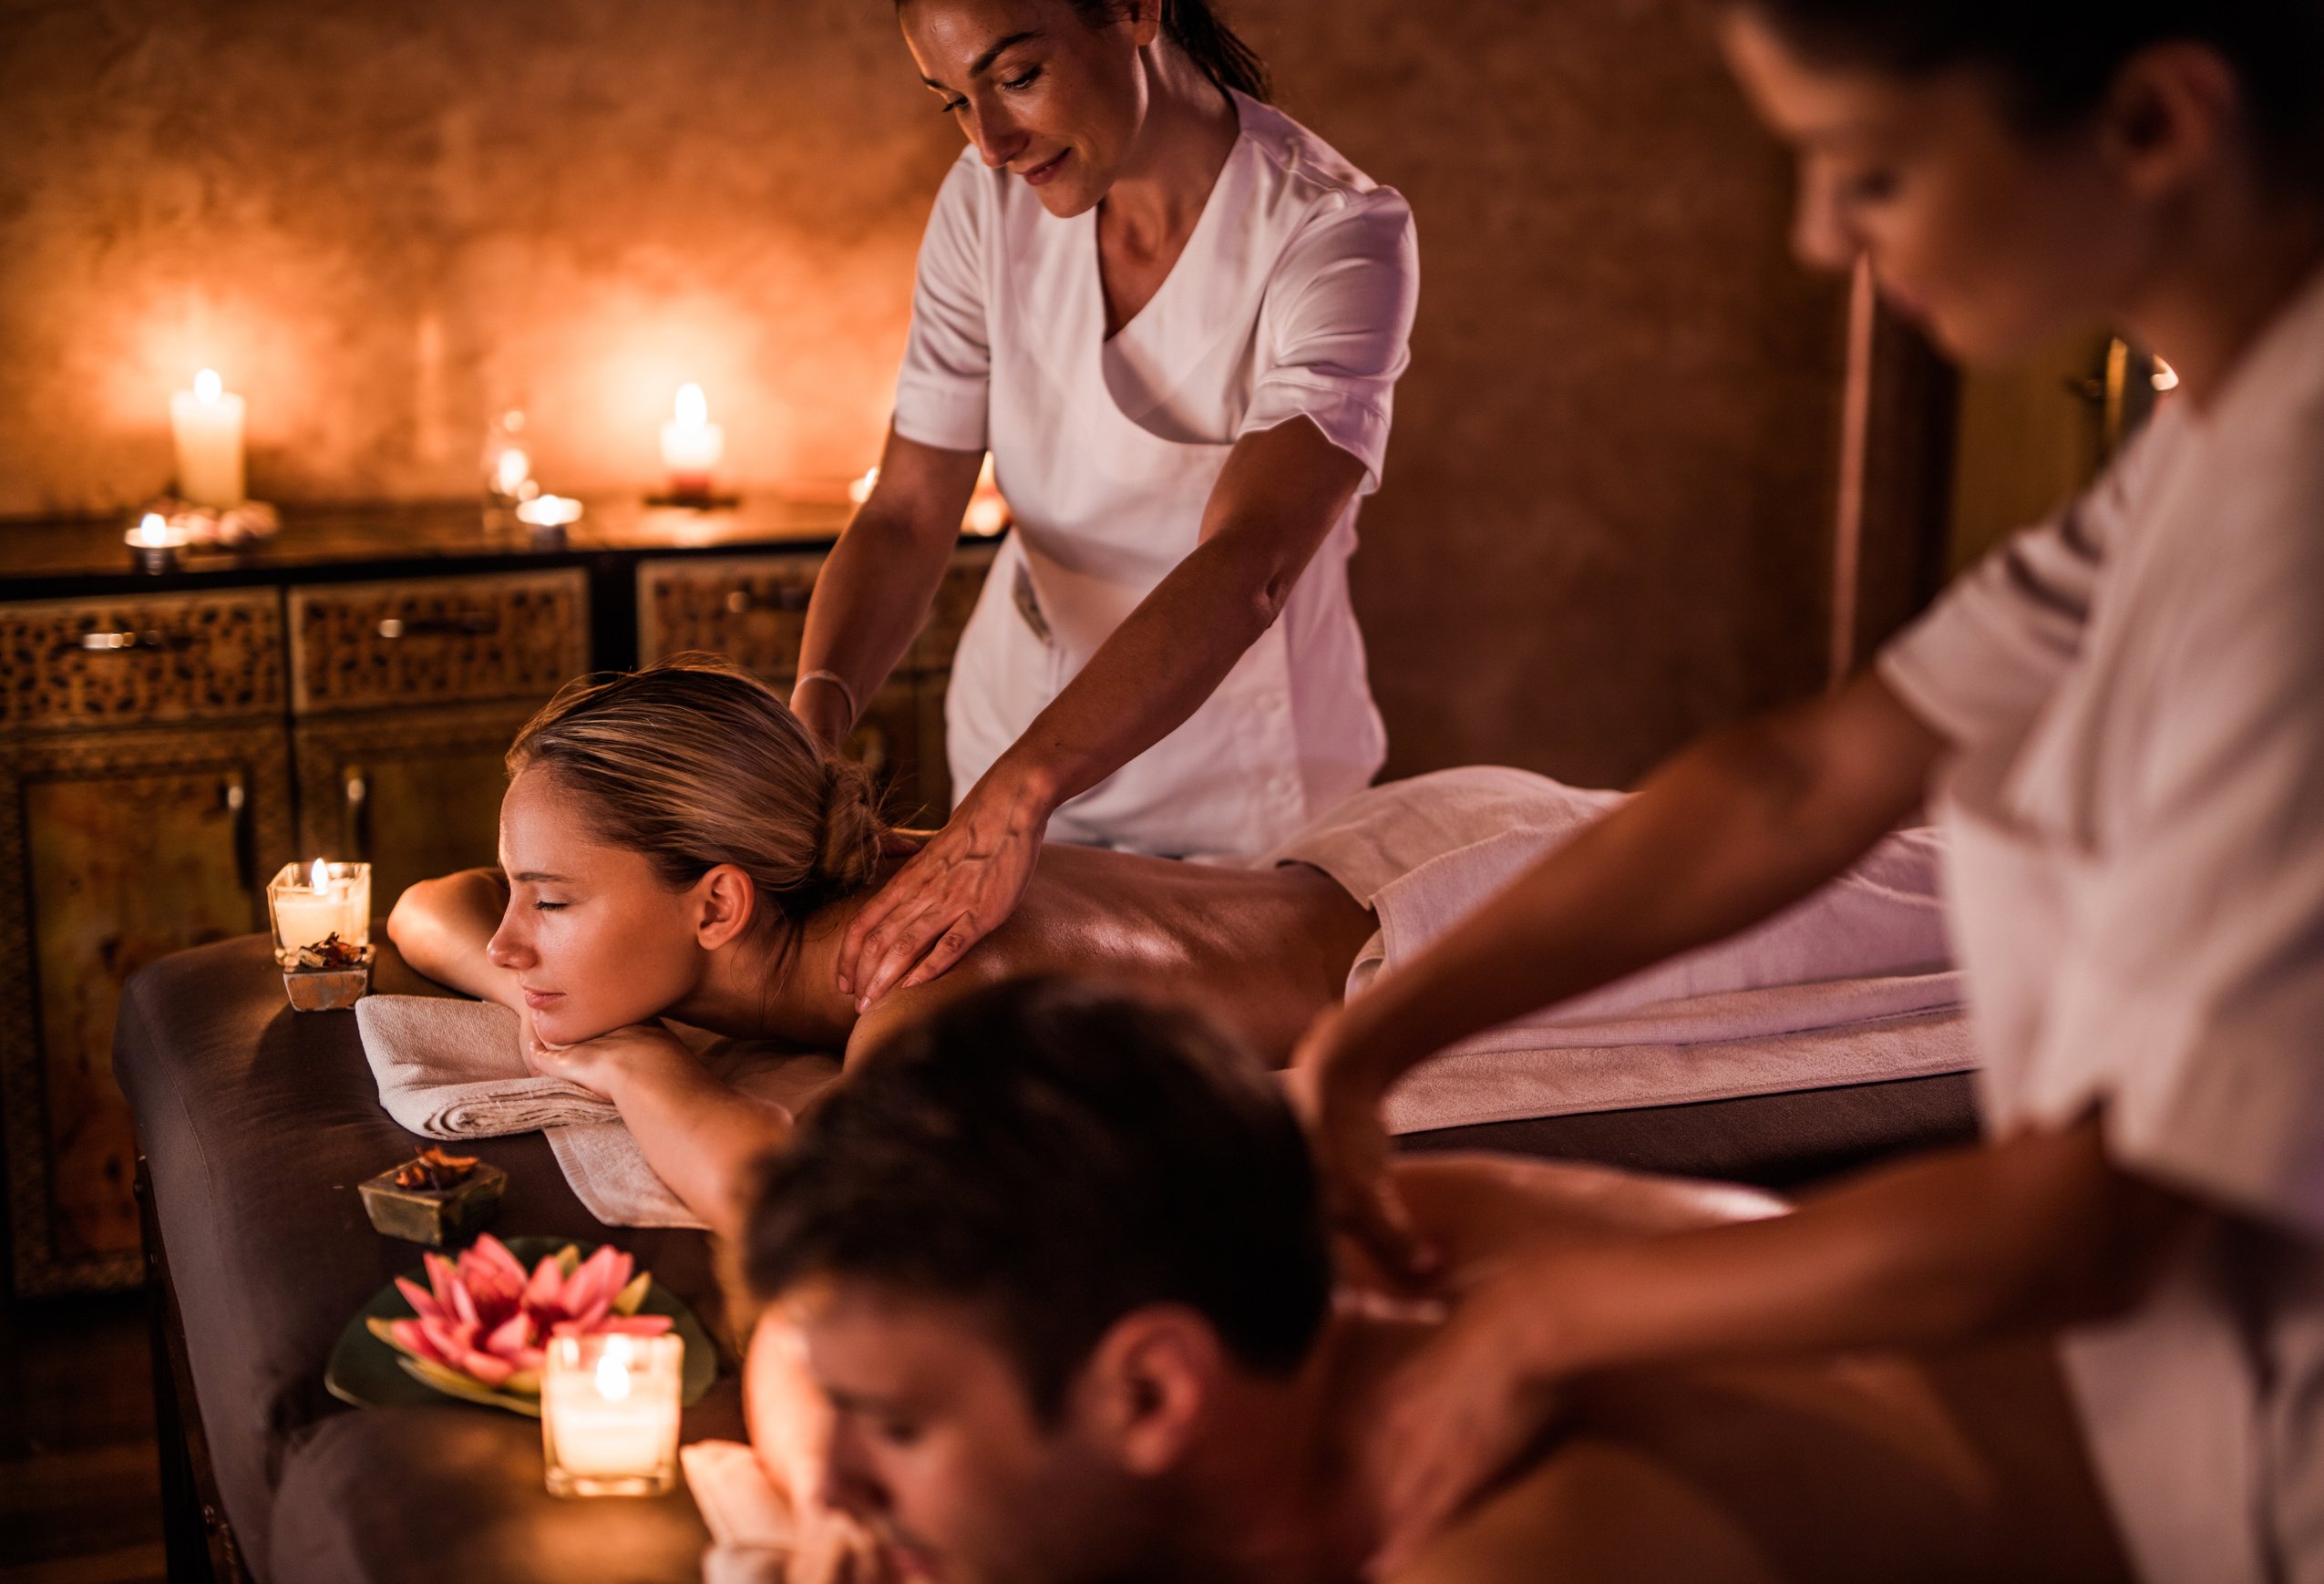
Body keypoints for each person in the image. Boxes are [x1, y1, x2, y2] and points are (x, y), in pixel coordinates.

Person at [1289, 4, 2324, 1579]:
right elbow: (1805, 775)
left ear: (2157, 123)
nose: (1819, 235)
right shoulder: (2214, 441)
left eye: (1869, 173)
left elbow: (2099, 1211)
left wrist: (1542, 1323)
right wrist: (1374, 1038)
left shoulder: (2296, 517)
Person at [386, 654, 1953, 1236]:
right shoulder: (803, 905)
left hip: (1466, 915)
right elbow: (425, 905)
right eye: (531, 896)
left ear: (718, 903)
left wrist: (638, 1052)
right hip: (1382, 851)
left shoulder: (931, 975)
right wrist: (549, 964)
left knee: (1990, 898)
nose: (513, 937)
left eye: (557, 900)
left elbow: (813, 1204)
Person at [731, 975, 2129, 1584]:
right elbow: (807, 1351)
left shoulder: (1537, 1542)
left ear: (1153, 1388)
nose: (833, 1491)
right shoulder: (1311, 1247)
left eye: (898, 1431)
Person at [792, 0, 1419, 1013]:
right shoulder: (983, 207)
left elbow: (1250, 563)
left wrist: (1022, 792)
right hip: (1017, 715)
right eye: (954, 100)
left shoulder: (1334, 234)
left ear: (1134, 9)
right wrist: (812, 725)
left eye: (1018, 77)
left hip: (1240, 773)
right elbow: (910, 508)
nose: (991, 142)